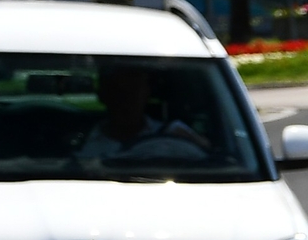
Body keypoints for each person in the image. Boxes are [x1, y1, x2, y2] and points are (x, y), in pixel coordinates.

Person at [76, 63, 211, 164]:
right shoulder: (79, 141)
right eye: (118, 92)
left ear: (147, 94)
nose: (126, 100)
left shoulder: (172, 132)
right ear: (102, 96)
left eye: (133, 91)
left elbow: (213, 157)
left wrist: (193, 141)